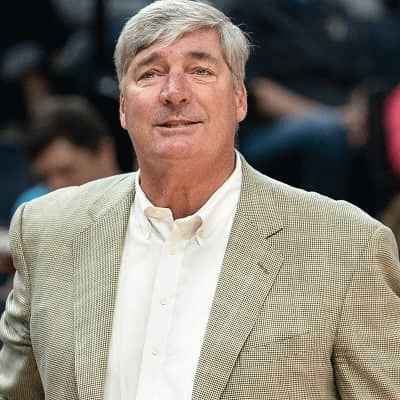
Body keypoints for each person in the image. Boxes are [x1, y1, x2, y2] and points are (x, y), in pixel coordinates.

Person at [0, 1, 399, 399]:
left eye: (200, 71)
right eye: (150, 73)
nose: (174, 93)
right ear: (122, 106)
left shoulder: (347, 247)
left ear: (239, 100)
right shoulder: (46, 232)